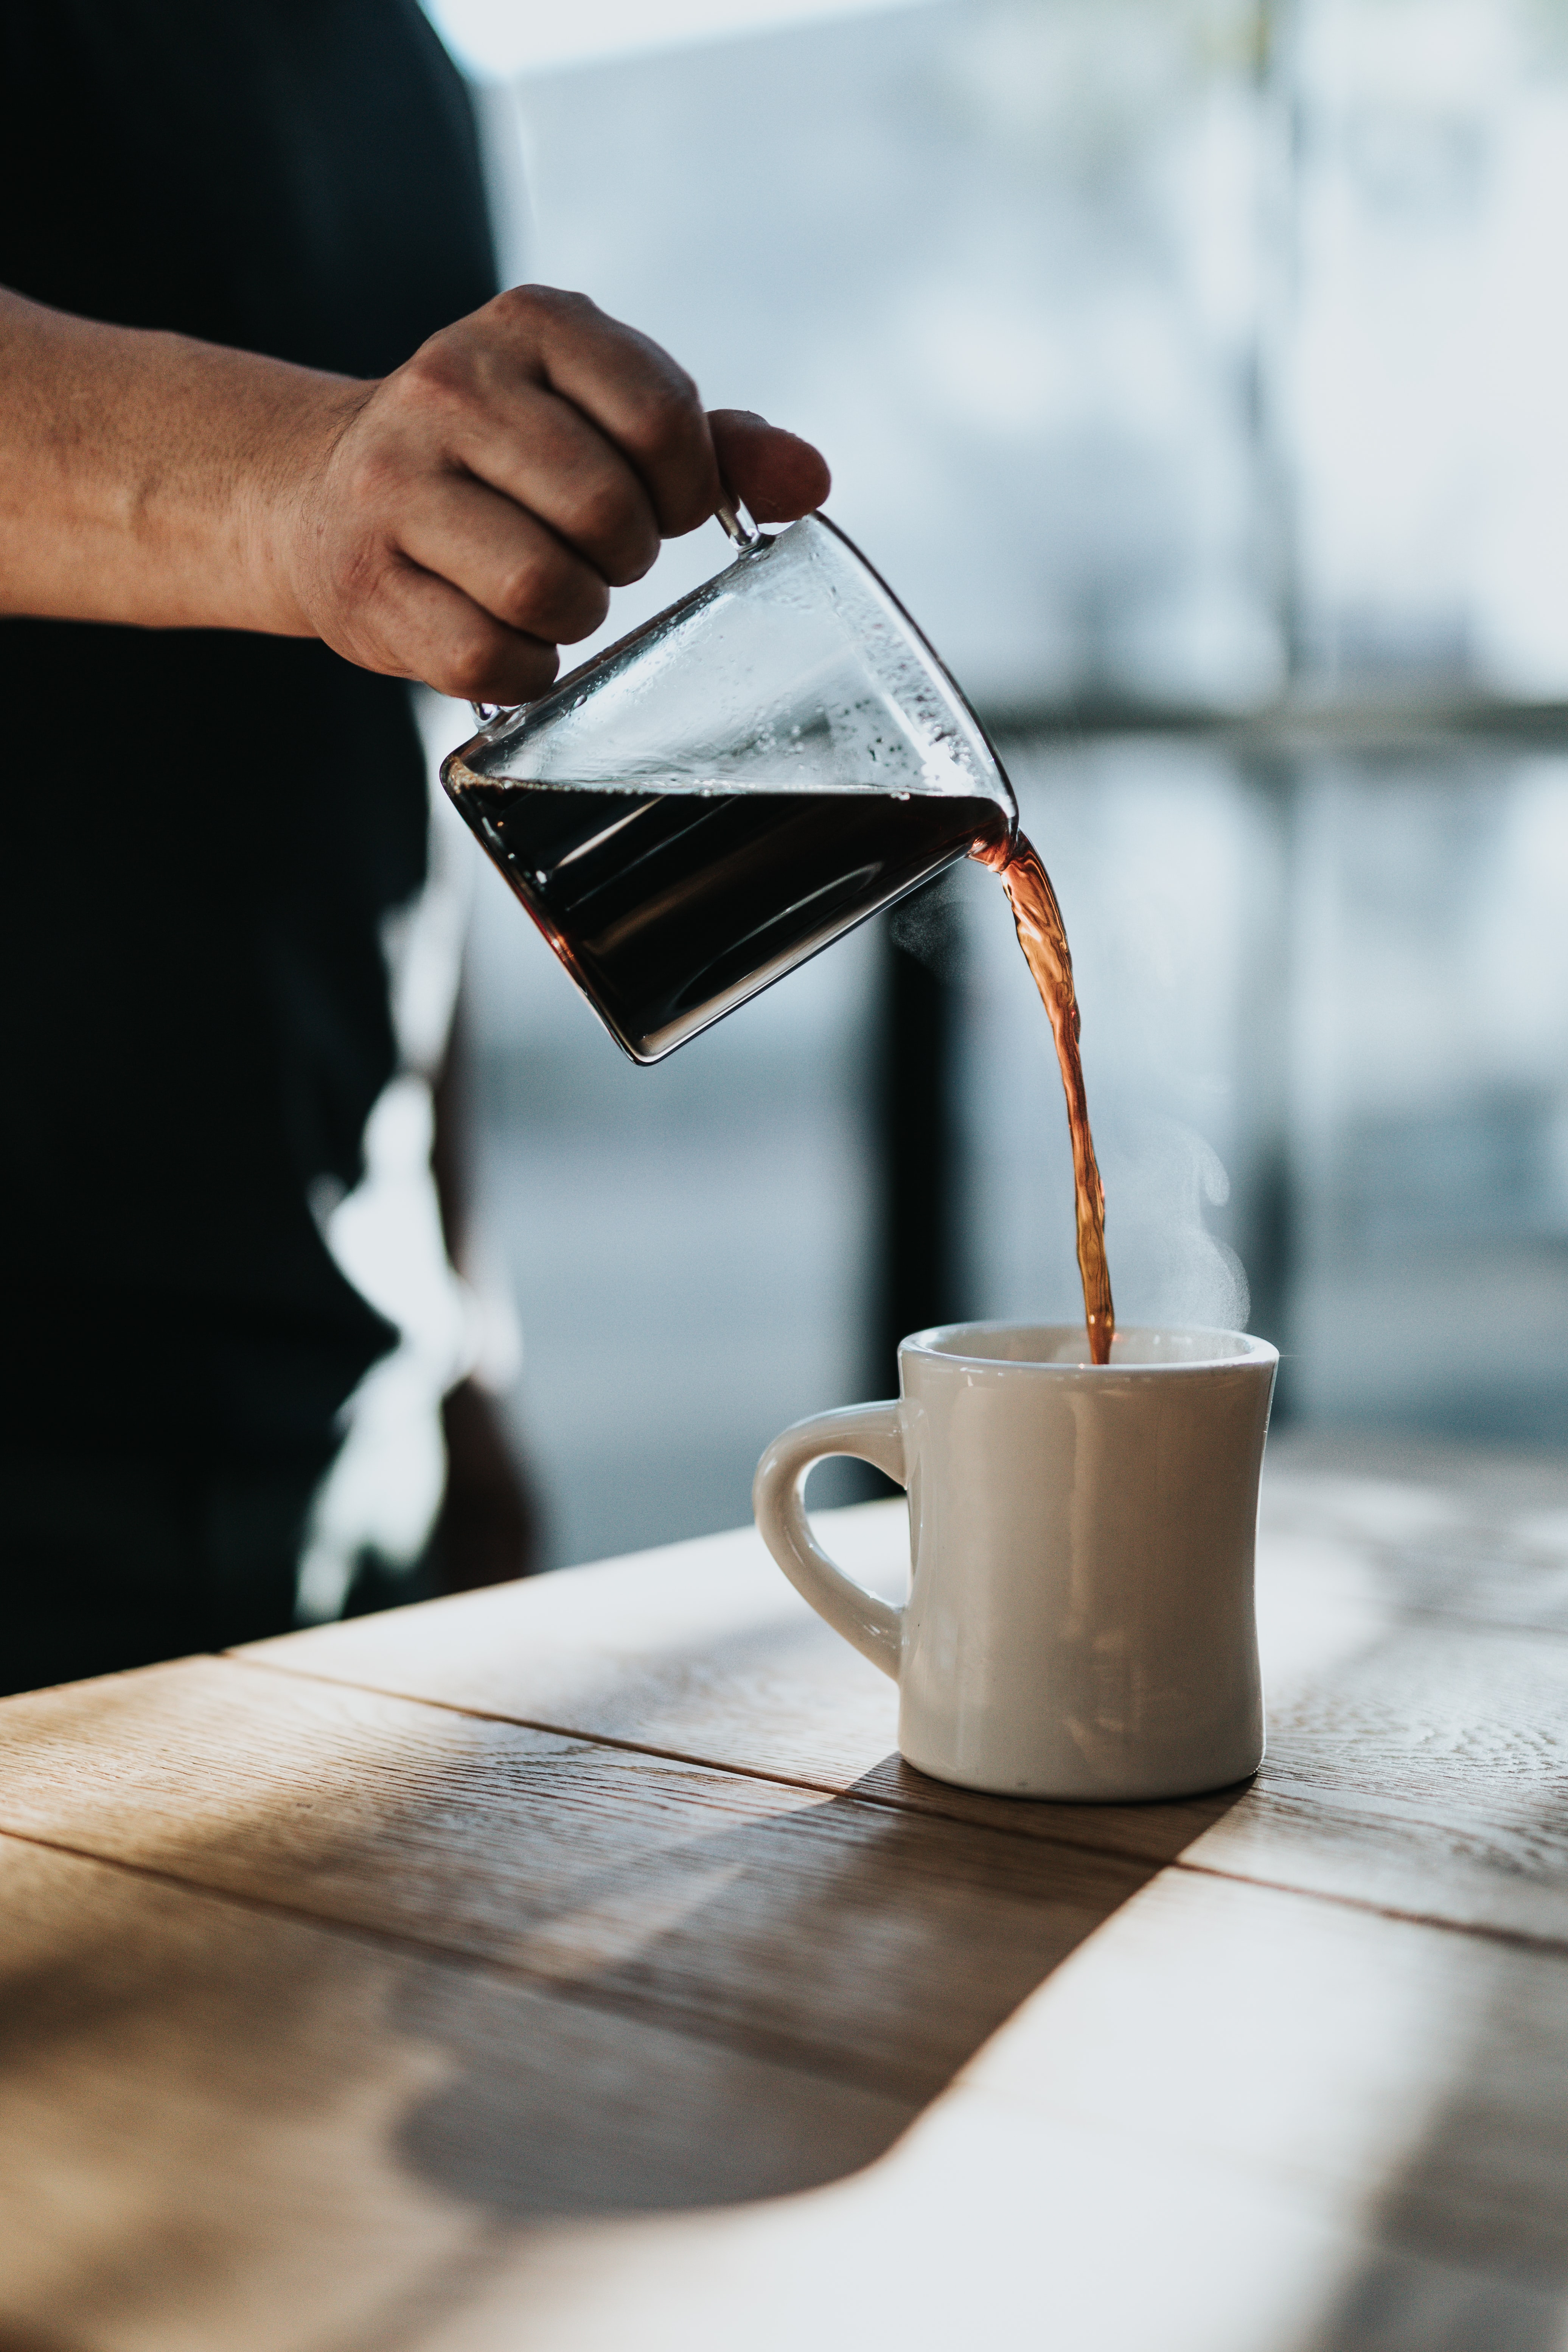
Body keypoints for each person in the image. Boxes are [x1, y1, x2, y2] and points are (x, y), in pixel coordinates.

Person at [0, 0, 829, 1694]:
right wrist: (293, 485)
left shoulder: (403, 69)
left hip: (336, 1398)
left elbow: (409, 724)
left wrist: (466, 1338)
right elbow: (346, 515)